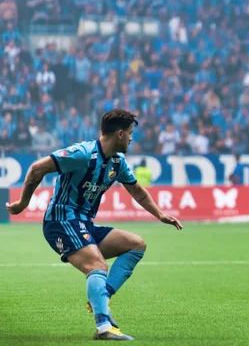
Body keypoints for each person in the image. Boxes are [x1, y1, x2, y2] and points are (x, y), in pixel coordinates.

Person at [6, 109, 183, 340]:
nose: (131, 138)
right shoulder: (82, 153)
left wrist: (160, 215)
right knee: (97, 266)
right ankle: (104, 326)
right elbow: (38, 168)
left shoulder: (118, 162)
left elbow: (138, 192)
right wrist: (22, 203)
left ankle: (101, 297)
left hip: (84, 223)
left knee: (136, 245)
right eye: (129, 133)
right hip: (61, 220)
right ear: (119, 133)